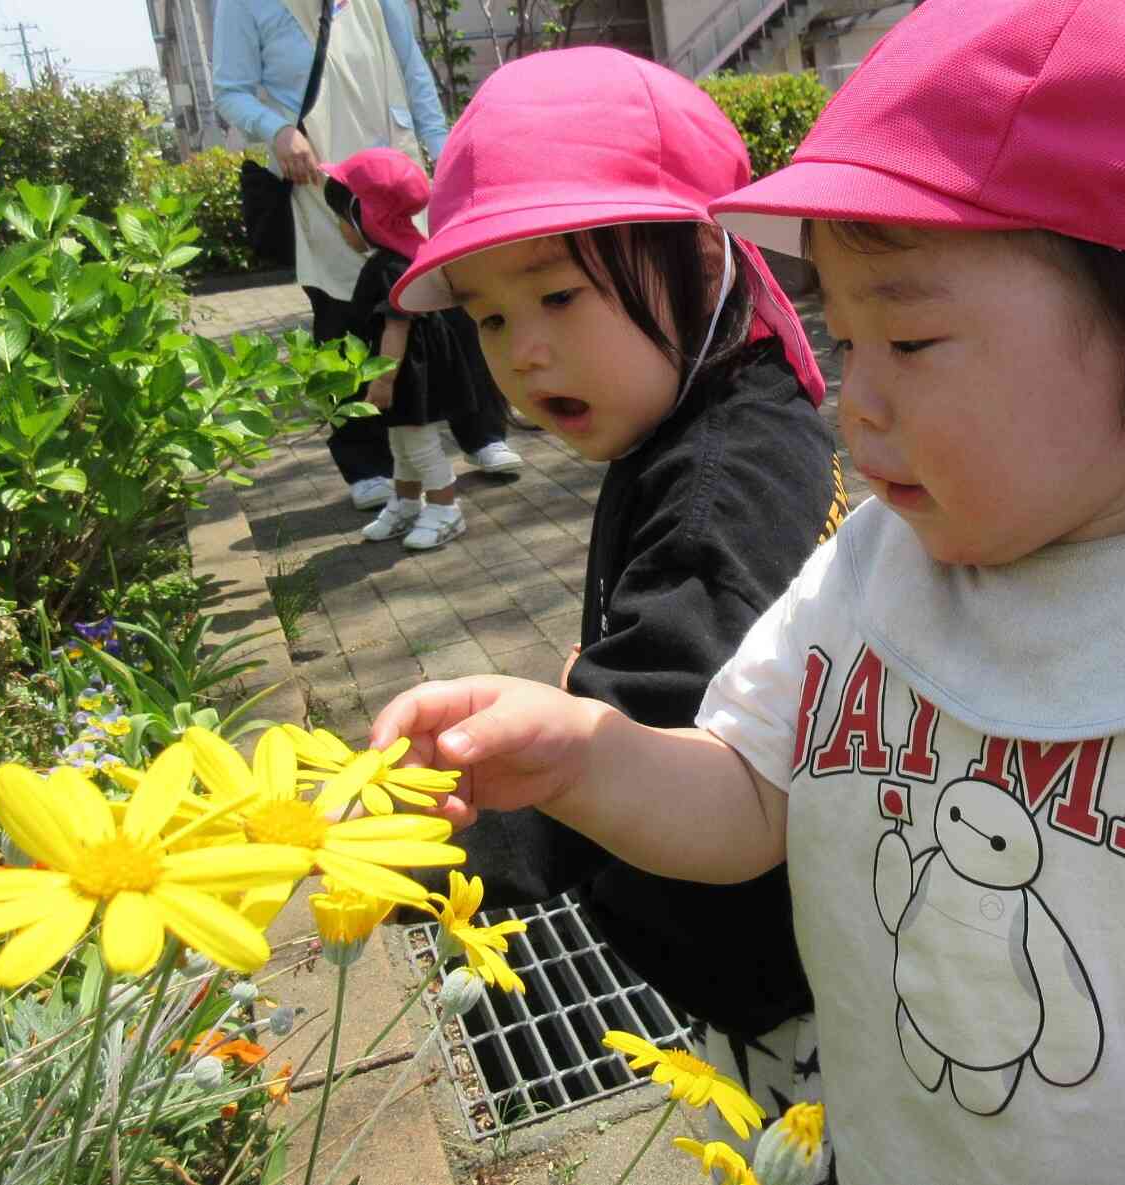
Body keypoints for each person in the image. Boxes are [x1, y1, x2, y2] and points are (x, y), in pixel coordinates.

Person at [370, 2, 1125, 1183]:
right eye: (844, 343)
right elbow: (744, 799)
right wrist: (588, 760)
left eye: (911, 342)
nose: (855, 402)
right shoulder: (867, 573)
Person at [386, 48, 848, 1174]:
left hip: (781, 970)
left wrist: (392, 852)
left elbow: (658, 715)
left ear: (701, 259)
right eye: (489, 319)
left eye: (555, 295)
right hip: (755, 927)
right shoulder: (705, 409)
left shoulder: (719, 480)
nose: (524, 350)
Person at [212, 0, 521, 513]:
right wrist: (276, 130)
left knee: (443, 302)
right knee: (343, 318)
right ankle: (367, 466)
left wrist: (442, 152)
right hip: (321, 180)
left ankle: (483, 431)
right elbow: (229, 91)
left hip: (395, 174)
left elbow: (412, 69)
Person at [321, 148, 492, 549]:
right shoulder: (398, 257)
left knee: (419, 442)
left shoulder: (390, 268)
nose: (340, 229)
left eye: (343, 218)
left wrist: (383, 381)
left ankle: (446, 509)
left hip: (408, 373)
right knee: (400, 442)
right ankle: (407, 502)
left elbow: (396, 327)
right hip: (405, 371)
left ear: (367, 215)